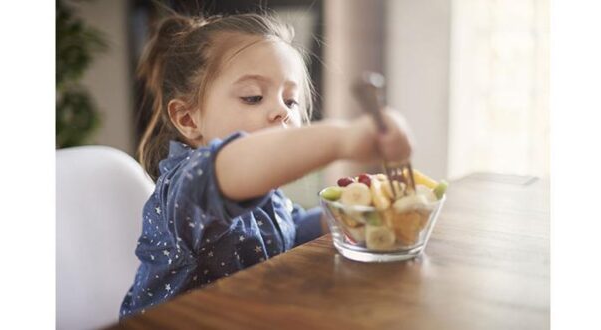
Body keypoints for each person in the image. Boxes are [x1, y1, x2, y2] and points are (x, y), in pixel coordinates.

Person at [120, 12, 413, 317]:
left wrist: (343, 215)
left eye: (290, 100)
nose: (280, 111)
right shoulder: (188, 187)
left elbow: (288, 230)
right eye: (253, 97)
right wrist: (343, 138)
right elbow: (236, 163)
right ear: (188, 118)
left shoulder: (263, 190)